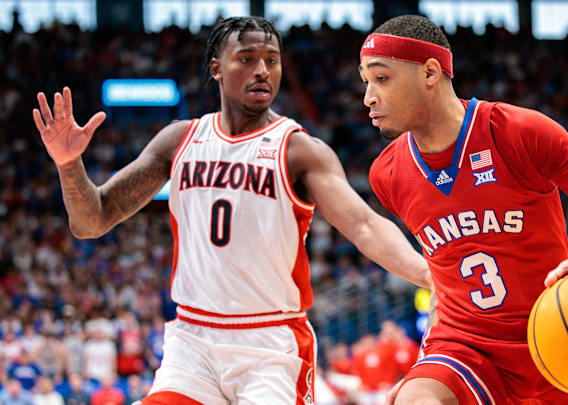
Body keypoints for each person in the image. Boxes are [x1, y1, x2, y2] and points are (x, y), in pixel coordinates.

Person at [33, 16, 429, 405]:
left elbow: (363, 225)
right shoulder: (178, 140)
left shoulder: (297, 150)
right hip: (193, 343)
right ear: (217, 69)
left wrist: (427, 274)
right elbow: (92, 221)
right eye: (247, 58)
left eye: (272, 60)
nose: (262, 70)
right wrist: (69, 165)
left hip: (270, 345)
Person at [358, 15, 568, 405]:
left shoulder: (518, 131)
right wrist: (424, 375)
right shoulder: (387, 174)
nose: (368, 97)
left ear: (430, 72)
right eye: (365, 82)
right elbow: (445, 271)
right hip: (471, 354)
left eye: (382, 79)